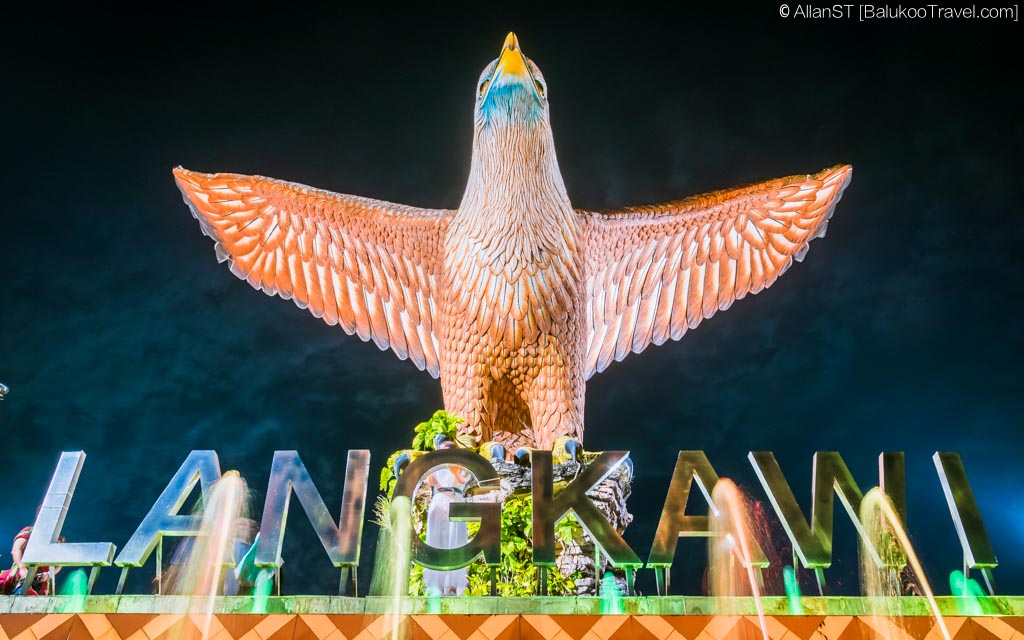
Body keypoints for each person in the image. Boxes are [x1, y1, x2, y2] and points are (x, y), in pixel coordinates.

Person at [422, 439, 472, 596]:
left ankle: (453, 586)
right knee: (435, 541)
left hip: (455, 501)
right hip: (438, 501)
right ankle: (435, 585)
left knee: (456, 542)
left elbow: (462, 478)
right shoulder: (436, 467)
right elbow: (429, 480)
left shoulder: (461, 467)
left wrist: (451, 463)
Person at [0, 525, 61, 595]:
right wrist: (23, 568)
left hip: (42, 582)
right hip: (21, 576)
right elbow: (16, 550)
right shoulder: (30, 531)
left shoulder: (56, 538)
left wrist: (49, 574)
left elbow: (60, 563)